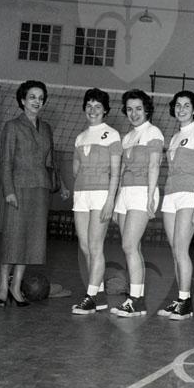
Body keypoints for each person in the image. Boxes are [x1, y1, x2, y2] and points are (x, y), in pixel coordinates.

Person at [0, 80, 69, 307]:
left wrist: (62, 185)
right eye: (32, 97)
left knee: (30, 240)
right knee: (13, 237)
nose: (37, 101)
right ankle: (2, 287)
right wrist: (9, 191)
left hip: (41, 189)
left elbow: (50, 161)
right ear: (22, 100)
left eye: (40, 98)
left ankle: (16, 287)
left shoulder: (46, 128)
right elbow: (5, 161)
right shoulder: (12, 126)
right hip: (18, 188)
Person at [111, 89, 163, 317]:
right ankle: (136, 298)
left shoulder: (153, 132)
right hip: (125, 193)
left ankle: (135, 299)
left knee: (129, 246)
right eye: (130, 109)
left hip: (143, 191)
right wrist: (116, 201)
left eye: (138, 109)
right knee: (133, 248)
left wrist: (151, 196)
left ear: (147, 110)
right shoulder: (128, 137)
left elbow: (154, 165)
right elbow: (122, 170)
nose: (134, 113)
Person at [158, 90, 194, 321]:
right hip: (171, 195)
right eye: (178, 105)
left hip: (189, 196)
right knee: (175, 251)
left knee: (181, 249)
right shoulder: (175, 137)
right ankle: (181, 299)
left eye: (186, 105)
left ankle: (185, 303)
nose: (181, 109)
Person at [71, 88, 121, 315]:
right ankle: (98, 295)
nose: (93, 110)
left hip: (101, 194)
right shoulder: (80, 137)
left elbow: (116, 172)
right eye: (89, 106)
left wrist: (111, 200)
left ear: (105, 110)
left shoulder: (112, 135)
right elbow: (76, 169)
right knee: (84, 246)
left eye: (97, 106)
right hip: (81, 194)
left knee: (95, 246)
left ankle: (90, 296)